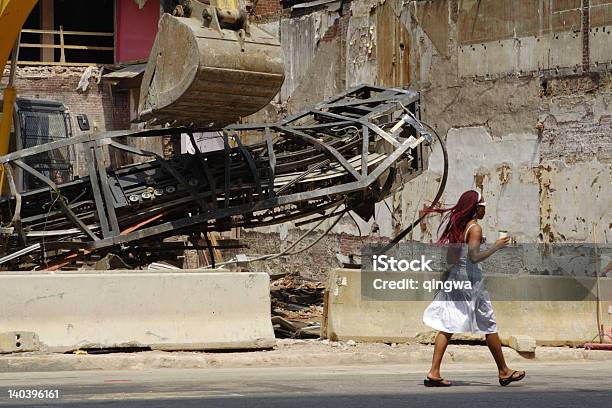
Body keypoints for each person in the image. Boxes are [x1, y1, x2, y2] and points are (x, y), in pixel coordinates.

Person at [421, 190, 525, 387]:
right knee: (489, 324)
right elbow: (474, 257)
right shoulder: (475, 229)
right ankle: (504, 371)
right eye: (483, 205)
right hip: (471, 282)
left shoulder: (459, 226)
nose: (485, 209)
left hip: (456, 279)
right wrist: (496, 246)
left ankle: (434, 372)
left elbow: (453, 257)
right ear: (476, 208)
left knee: (446, 325)